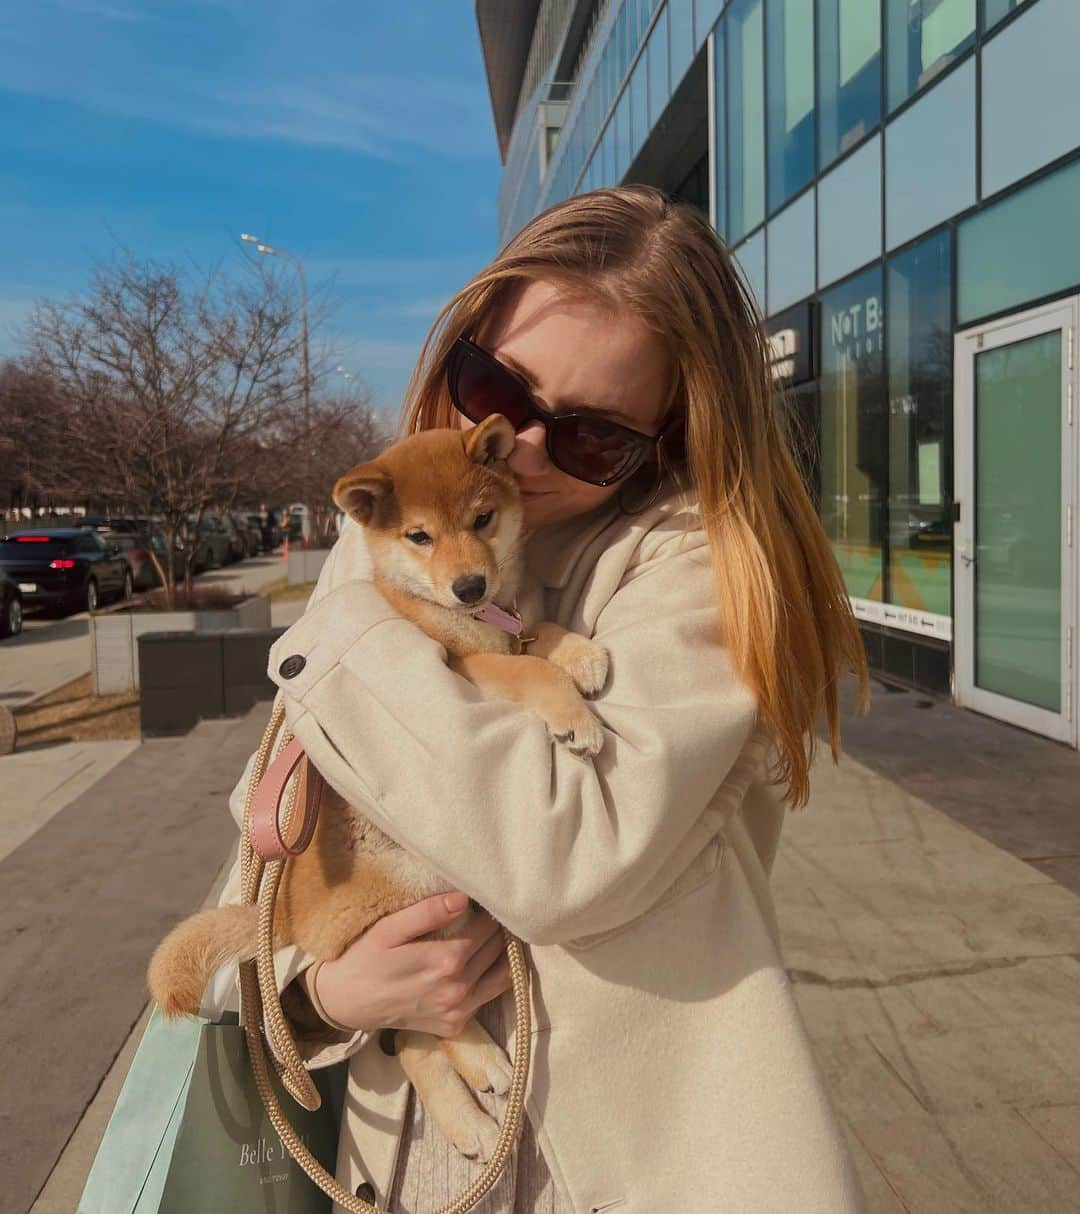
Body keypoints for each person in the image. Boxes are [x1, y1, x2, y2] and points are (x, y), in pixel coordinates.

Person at [203, 185, 869, 1211]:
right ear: (457, 348)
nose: (522, 446)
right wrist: (329, 992)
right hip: (409, 1150)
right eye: (493, 385)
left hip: (617, 1161)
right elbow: (263, 862)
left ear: (672, 436)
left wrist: (355, 616)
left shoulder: (694, 569)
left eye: (592, 437)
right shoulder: (383, 530)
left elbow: (563, 859)